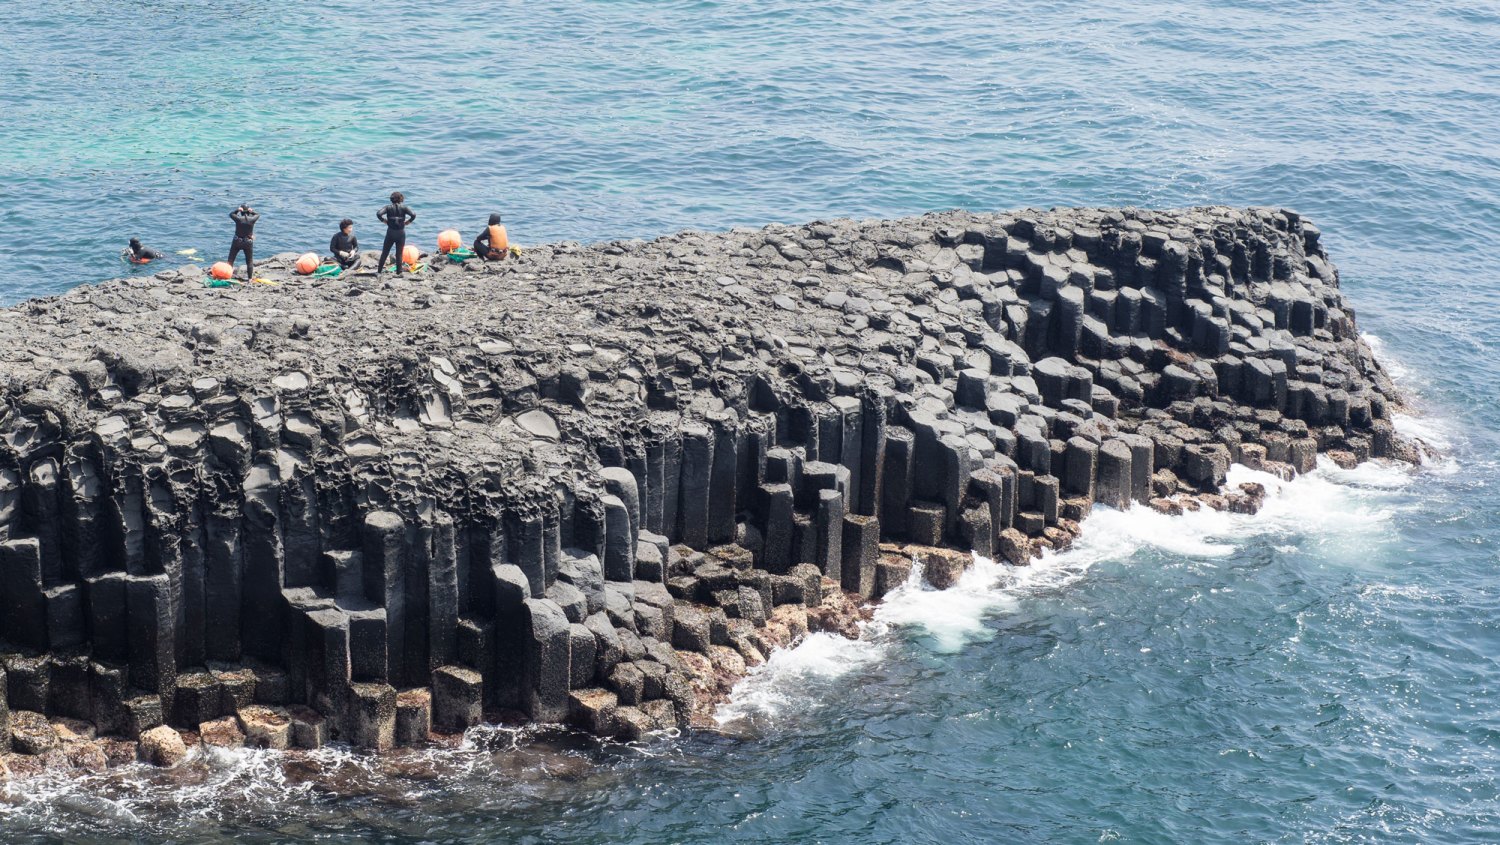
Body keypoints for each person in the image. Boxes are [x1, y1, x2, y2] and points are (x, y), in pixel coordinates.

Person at [376, 192, 416, 275]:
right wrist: (408, 222)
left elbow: (379, 213)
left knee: (385, 252)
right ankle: (399, 272)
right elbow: (413, 214)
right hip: (401, 233)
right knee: (399, 253)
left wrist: (384, 221)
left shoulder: (388, 207)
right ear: (401, 199)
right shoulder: (404, 208)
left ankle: (379, 271)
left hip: (390, 232)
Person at [228, 203, 259, 279]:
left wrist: (237, 210)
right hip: (248, 242)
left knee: (231, 260)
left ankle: (227, 275)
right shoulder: (252, 220)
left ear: (241, 212)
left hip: (237, 241)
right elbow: (258, 214)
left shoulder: (238, 219)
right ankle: (250, 279)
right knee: (249, 261)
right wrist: (252, 211)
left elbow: (231, 214)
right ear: (248, 212)